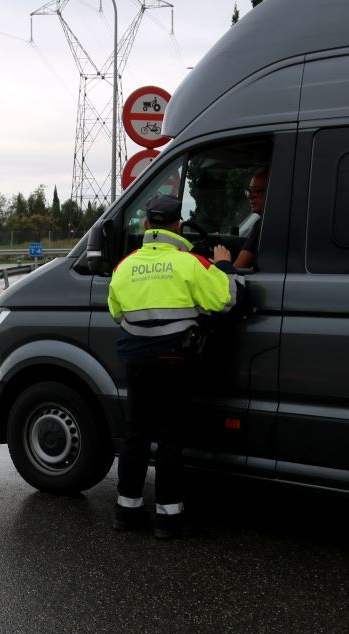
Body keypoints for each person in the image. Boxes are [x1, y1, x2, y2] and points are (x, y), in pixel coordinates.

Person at [107, 194, 242, 539]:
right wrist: (225, 265)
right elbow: (226, 301)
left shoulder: (125, 266)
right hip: (176, 361)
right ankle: (168, 518)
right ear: (178, 226)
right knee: (170, 437)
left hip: (136, 361)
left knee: (135, 434)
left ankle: (126, 511)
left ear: (148, 226)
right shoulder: (192, 263)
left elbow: (117, 313)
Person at [234, 167, 268, 271]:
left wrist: (221, 261)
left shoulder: (263, 225)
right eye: (250, 190)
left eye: (257, 191)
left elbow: (236, 269)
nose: (250, 196)